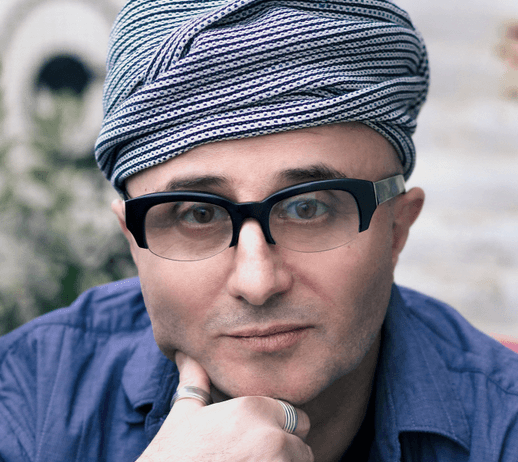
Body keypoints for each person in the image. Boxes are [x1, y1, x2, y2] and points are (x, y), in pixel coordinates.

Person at [1, 0, 518, 461]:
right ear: (133, 241)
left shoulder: (502, 428)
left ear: (397, 228)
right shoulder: (25, 402)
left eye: (308, 208)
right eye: (197, 215)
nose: (258, 282)